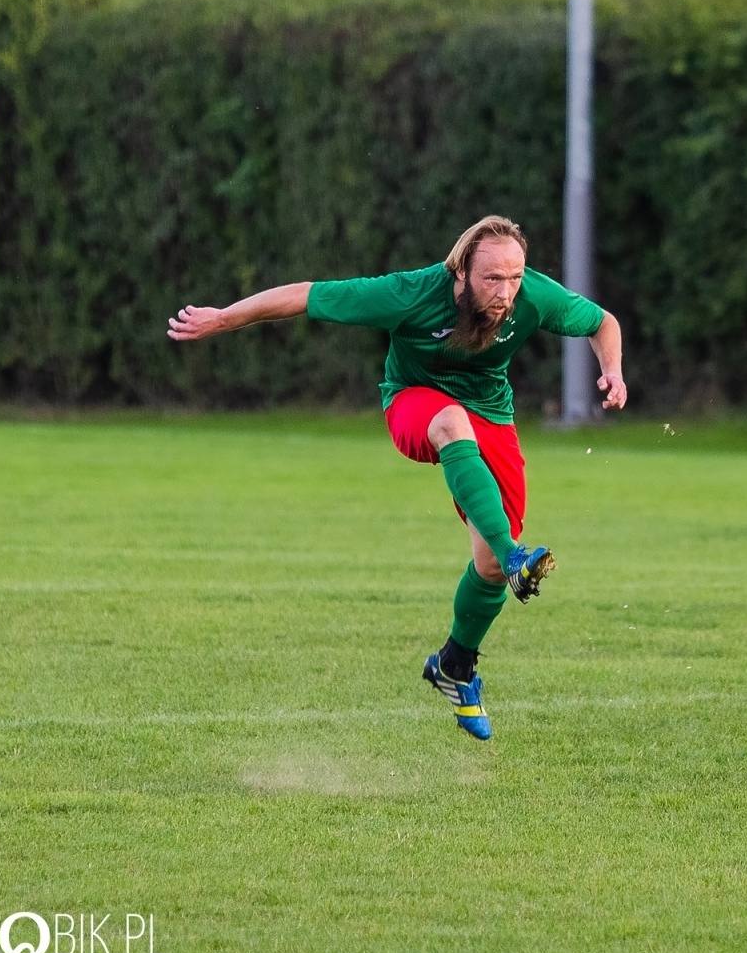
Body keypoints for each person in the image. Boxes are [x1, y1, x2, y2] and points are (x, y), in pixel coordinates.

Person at [167, 215, 626, 741]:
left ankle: (455, 666)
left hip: (491, 414)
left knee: (489, 568)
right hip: (415, 404)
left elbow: (602, 322)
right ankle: (515, 554)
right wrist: (224, 319)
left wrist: (612, 369)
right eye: (491, 279)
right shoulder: (411, 293)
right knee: (460, 442)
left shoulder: (531, 296)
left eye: (515, 277)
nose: (506, 292)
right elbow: (307, 295)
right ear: (461, 271)